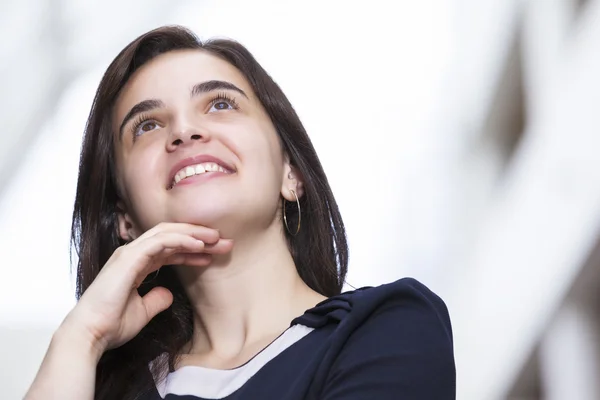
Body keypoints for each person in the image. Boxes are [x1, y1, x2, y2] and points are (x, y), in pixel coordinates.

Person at [24, 25, 455, 400]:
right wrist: (81, 338)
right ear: (125, 220)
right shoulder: (106, 386)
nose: (184, 131)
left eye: (220, 104)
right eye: (148, 126)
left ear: (291, 172)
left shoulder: (386, 330)